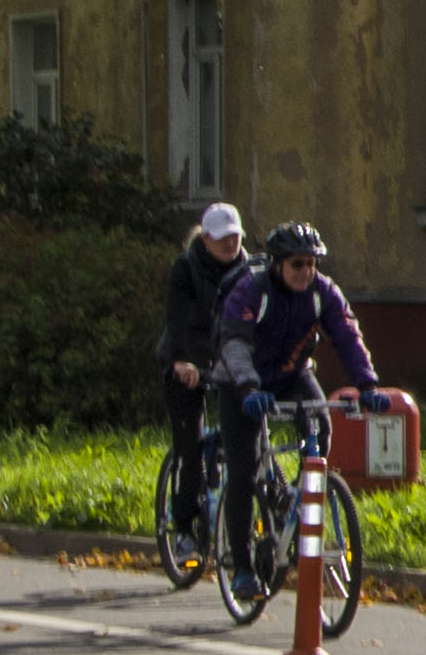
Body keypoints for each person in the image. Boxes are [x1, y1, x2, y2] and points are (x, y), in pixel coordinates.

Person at [210, 221, 379, 574]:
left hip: (291, 373)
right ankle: (242, 567)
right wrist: (248, 388)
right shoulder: (252, 289)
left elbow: (347, 335)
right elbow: (234, 343)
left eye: (311, 264)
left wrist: (367, 385)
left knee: (321, 428)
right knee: (243, 471)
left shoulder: (322, 292)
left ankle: (297, 506)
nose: (305, 271)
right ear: (278, 264)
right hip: (241, 382)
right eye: (296, 264)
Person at [155, 201, 250, 540]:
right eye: (223, 237)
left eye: (235, 236)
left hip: (226, 362)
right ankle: (184, 530)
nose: (230, 243)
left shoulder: (249, 271)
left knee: (245, 443)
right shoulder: (187, 268)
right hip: (186, 360)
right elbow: (177, 319)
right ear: (206, 239)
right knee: (190, 449)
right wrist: (182, 361)